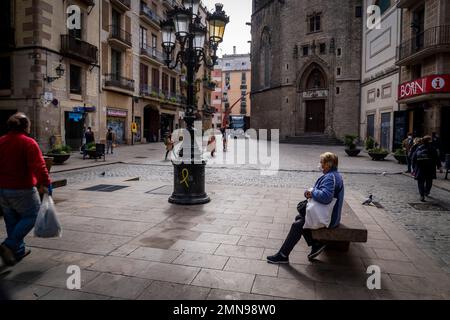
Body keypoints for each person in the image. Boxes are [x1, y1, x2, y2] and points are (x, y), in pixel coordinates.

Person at [267, 152, 344, 264]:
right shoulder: (334, 175)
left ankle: (283, 255)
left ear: (328, 165)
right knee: (299, 217)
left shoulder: (330, 177)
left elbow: (326, 197)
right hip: (332, 215)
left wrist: (312, 192)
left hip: (329, 218)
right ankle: (315, 244)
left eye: (321, 162)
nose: (320, 164)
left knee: (297, 224)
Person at [0, 113, 52, 266]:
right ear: (25, 126)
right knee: (34, 215)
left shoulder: (1, 141)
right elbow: (39, 166)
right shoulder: (28, 143)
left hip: (3, 190)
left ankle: (17, 251)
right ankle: (9, 245)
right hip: (22, 188)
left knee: (11, 220)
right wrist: (46, 183)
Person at [411, 135, 442, 202]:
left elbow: (413, 158)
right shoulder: (433, 149)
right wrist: (439, 167)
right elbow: (437, 158)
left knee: (420, 182)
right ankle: (427, 192)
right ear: (430, 141)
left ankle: (422, 195)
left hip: (420, 168)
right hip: (430, 168)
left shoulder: (419, 148)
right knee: (429, 181)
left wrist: (414, 168)